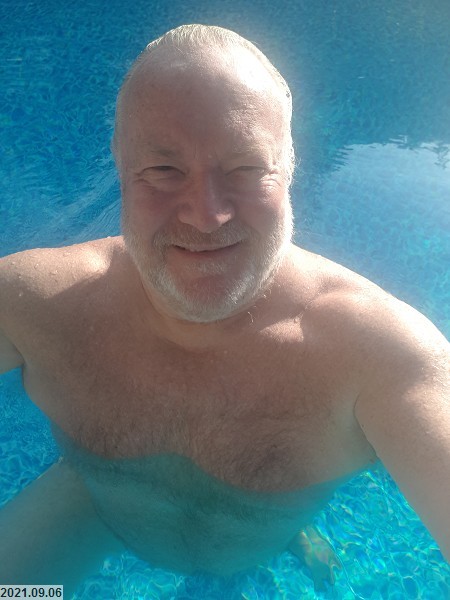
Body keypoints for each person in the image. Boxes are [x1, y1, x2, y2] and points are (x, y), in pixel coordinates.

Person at [0, 24, 448, 594]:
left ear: (289, 166)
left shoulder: (382, 358)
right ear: (119, 162)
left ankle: (292, 533)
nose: (206, 214)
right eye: (164, 170)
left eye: (245, 169)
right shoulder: (33, 304)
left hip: (261, 535)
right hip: (99, 507)